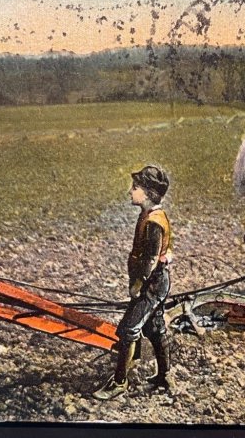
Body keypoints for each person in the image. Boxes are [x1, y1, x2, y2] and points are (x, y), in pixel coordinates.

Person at [93, 165, 173, 400]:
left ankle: (119, 382)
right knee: (155, 328)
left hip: (152, 284)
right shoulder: (150, 215)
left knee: (128, 330)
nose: (130, 191)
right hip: (157, 282)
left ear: (147, 193)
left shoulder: (153, 223)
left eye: (135, 187)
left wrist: (138, 285)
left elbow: (150, 258)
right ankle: (164, 376)